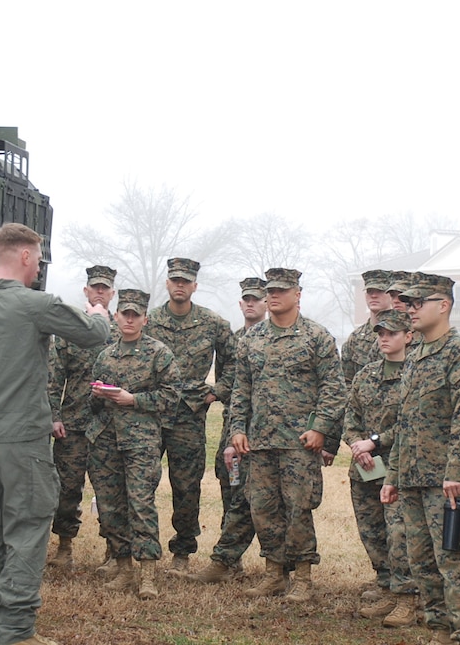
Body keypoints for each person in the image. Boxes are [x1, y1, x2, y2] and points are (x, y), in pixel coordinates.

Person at [0, 223, 110, 645]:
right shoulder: (35, 304)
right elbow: (96, 336)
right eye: (37, 259)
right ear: (23, 256)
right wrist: (98, 312)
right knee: (27, 528)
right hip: (23, 440)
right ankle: (16, 632)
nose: (38, 268)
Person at [380, 273, 460, 644]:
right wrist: (393, 476)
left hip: (447, 484)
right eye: (408, 303)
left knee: (455, 564)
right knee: (423, 564)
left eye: (417, 303)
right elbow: (405, 422)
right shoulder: (417, 357)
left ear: (443, 305)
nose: (410, 310)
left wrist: (456, 471)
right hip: (414, 480)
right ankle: (440, 632)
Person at [230, 267, 346, 603]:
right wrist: (237, 428)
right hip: (260, 441)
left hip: (299, 442)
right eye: (270, 291)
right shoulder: (251, 339)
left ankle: (303, 577)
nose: (274, 296)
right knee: (263, 508)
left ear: (297, 294)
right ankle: (274, 574)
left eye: (282, 290)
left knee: (298, 509)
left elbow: (333, 387)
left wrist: (320, 427)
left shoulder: (316, 336)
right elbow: (241, 388)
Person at [86, 288, 180, 601]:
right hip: (106, 440)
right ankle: (124, 567)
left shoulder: (158, 353)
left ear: (144, 319)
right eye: (124, 314)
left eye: (135, 315)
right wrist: (98, 394)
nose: (129, 319)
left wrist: (134, 399)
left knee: (141, 505)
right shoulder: (105, 355)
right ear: (115, 317)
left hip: (140, 441)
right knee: (110, 506)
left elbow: (172, 396)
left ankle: (148, 574)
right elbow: (92, 403)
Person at [146, 257, 234, 575]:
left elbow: (234, 362)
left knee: (186, 487)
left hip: (188, 417)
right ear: (167, 284)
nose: (180, 285)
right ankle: (130, 550)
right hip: (151, 415)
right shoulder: (150, 321)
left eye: (186, 281)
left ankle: (182, 551)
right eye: (175, 280)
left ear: (194, 286)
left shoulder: (213, 323)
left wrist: (215, 391)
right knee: (140, 482)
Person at [344, 308, 419, 627]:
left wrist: (374, 441)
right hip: (365, 468)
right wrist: (356, 443)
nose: (385, 339)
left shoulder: (417, 374)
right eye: (381, 334)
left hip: (400, 467)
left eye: (392, 333)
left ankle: (407, 599)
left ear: (409, 336)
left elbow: (413, 422)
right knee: (372, 532)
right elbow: (350, 417)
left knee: (399, 534)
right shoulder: (366, 375)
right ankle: (387, 588)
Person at [189, 277, 267, 585]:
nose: (250, 303)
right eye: (246, 299)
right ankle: (231, 561)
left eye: (256, 299)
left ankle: (277, 565)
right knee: (230, 487)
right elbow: (229, 385)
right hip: (234, 425)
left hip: (267, 428)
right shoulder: (233, 340)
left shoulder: (273, 339)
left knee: (261, 496)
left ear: (266, 303)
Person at [46, 265, 118, 570]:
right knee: (67, 489)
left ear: (112, 293)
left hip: (109, 426)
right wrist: (54, 416)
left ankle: (114, 550)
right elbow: (53, 378)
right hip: (73, 426)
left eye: (105, 288)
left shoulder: (123, 330)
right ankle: (64, 547)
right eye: (95, 287)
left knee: (111, 491)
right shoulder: (69, 330)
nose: (100, 292)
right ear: (86, 291)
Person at [341, 269, 393, 387]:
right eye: (370, 291)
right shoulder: (355, 339)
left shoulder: (403, 334)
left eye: (380, 291)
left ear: (390, 294)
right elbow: (345, 382)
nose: (373, 295)